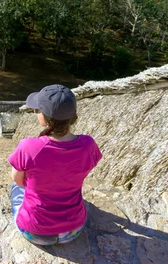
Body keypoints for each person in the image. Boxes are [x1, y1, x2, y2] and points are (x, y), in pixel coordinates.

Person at [8, 84, 102, 245]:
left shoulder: (28, 147)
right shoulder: (88, 145)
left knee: (16, 188)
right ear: (73, 116)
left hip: (34, 231)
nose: (37, 113)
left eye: (38, 110)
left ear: (44, 118)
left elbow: (17, 180)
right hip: (73, 230)